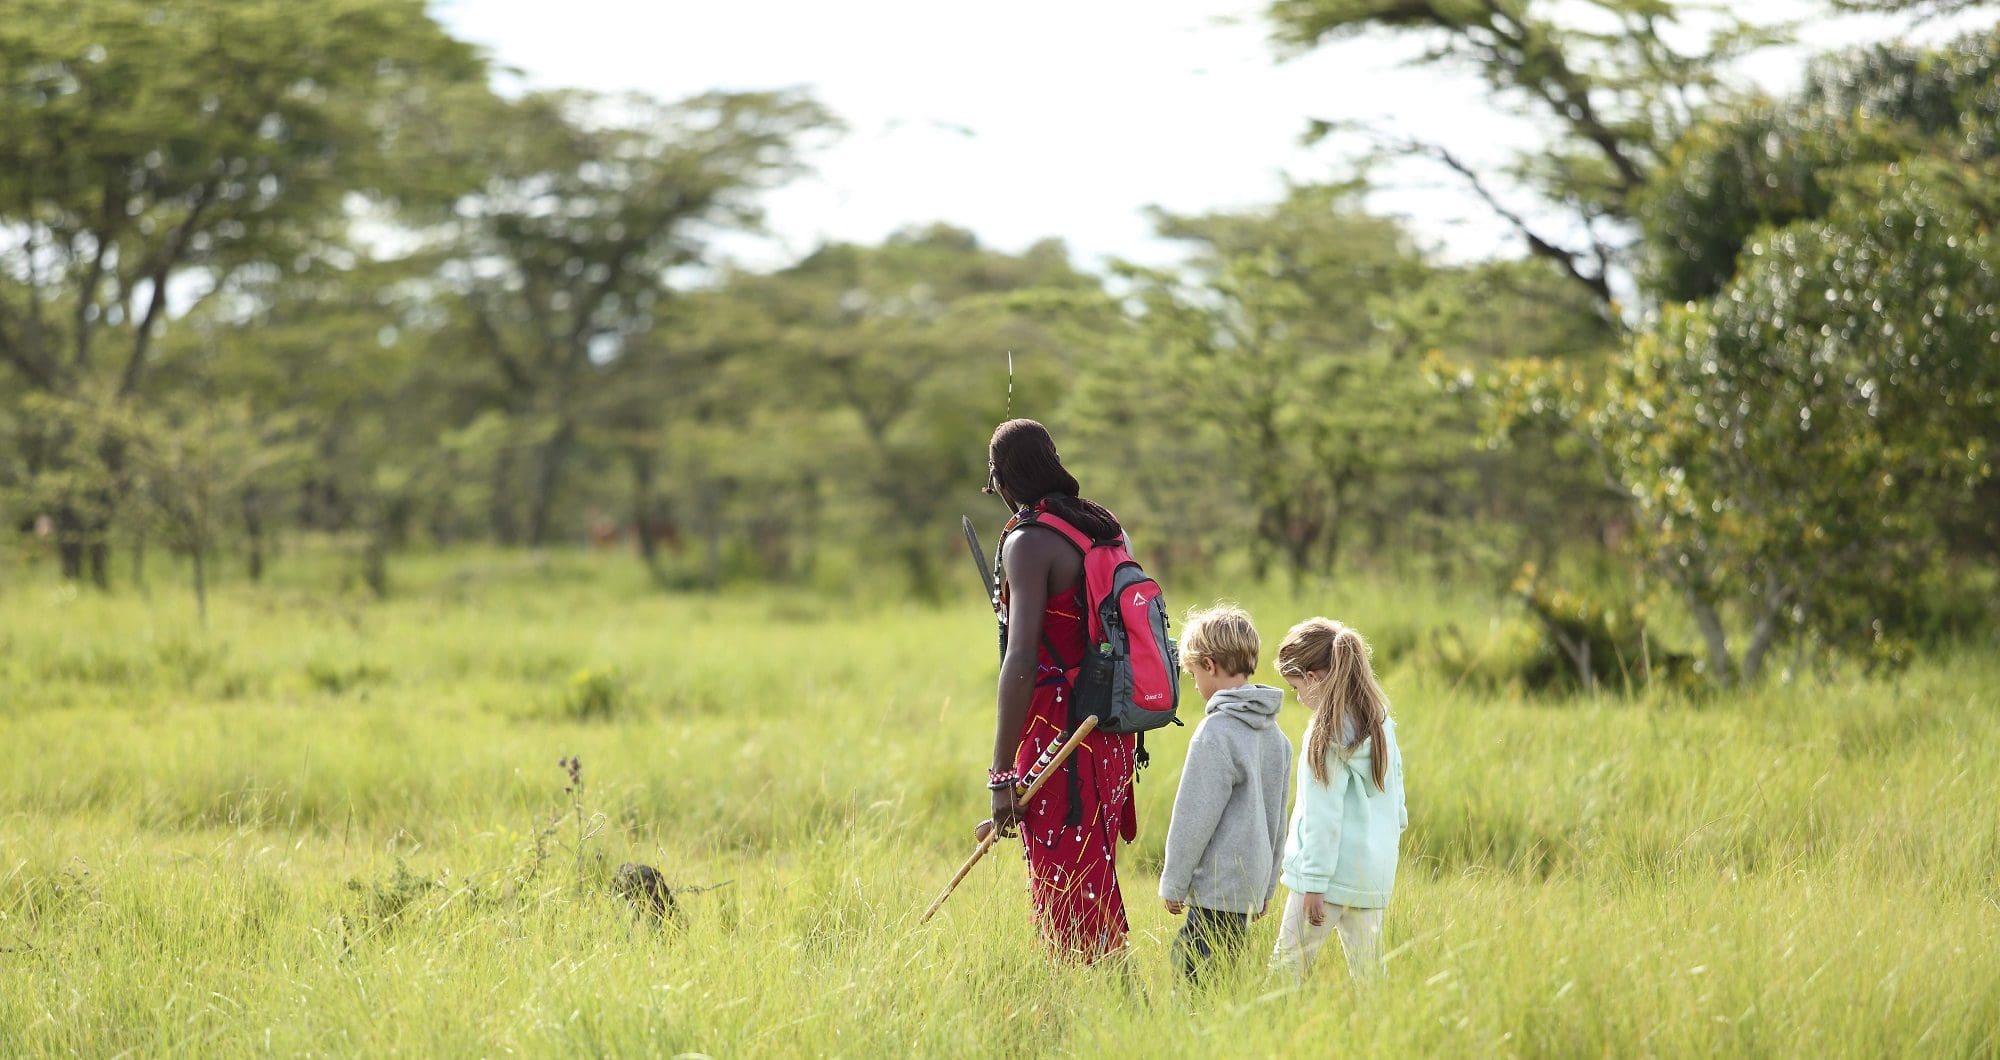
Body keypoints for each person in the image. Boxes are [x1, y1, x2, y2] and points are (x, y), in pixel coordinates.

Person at [983, 418, 1139, 962]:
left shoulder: (1029, 543)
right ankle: (1108, 1016)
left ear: (1003, 477)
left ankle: (1100, 1014)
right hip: (1112, 733)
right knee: (1090, 875)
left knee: (1068, 889)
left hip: (1062, 734)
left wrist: (1002, 776)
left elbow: (1021, 657)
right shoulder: (1102, 525)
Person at [1158, 605, 1292, 985]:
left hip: (1214, 888)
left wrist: (1174, 882)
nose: (1195, 684)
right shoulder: (1276, 738)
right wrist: (1266, 887)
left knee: (1192, 973)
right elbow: (1276, 820)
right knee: (1223, 976)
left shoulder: (1215, 733)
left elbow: (1193, 817)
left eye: (1193, 674)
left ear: (1209, 664)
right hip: (1248, 887)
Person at [1269, 617, 1407, 982]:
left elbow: (1322, 813)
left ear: (1313, 678)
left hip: (1324, 880)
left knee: (1287, 970)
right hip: (1371, 877)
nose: (1298, 697)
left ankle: (1271, 1033)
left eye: (1296, 686)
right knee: (1369, 978)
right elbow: (1397, 793)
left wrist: (1313, 881)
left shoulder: (1325, 732)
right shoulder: (1380, 721)